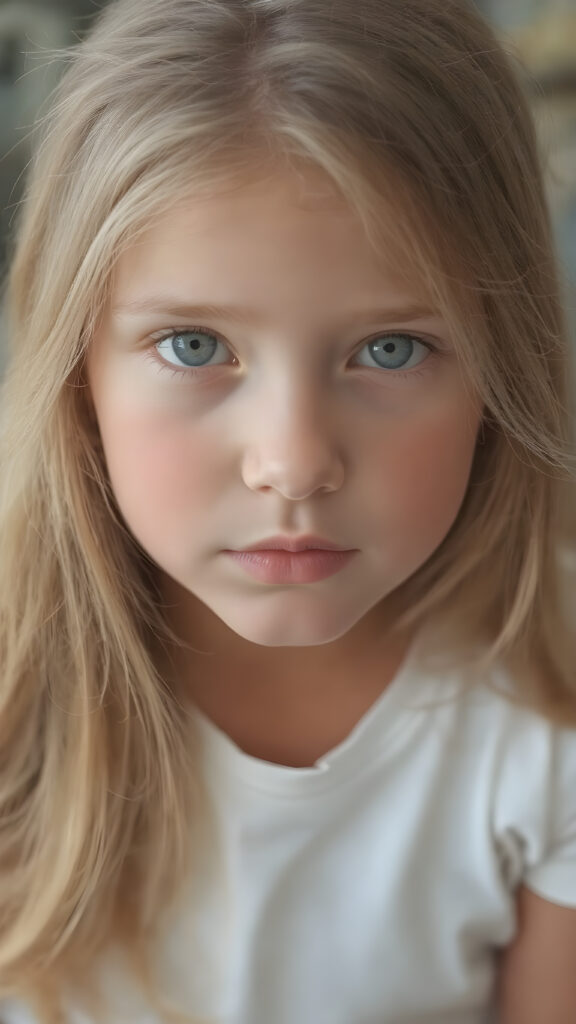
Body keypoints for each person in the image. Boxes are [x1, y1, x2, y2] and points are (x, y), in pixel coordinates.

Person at [0, 0, 575, 1021]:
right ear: (76, 370)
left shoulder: (549, 700)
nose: (295, 464)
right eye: (192, 345)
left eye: (390, 349)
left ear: (502, 363)